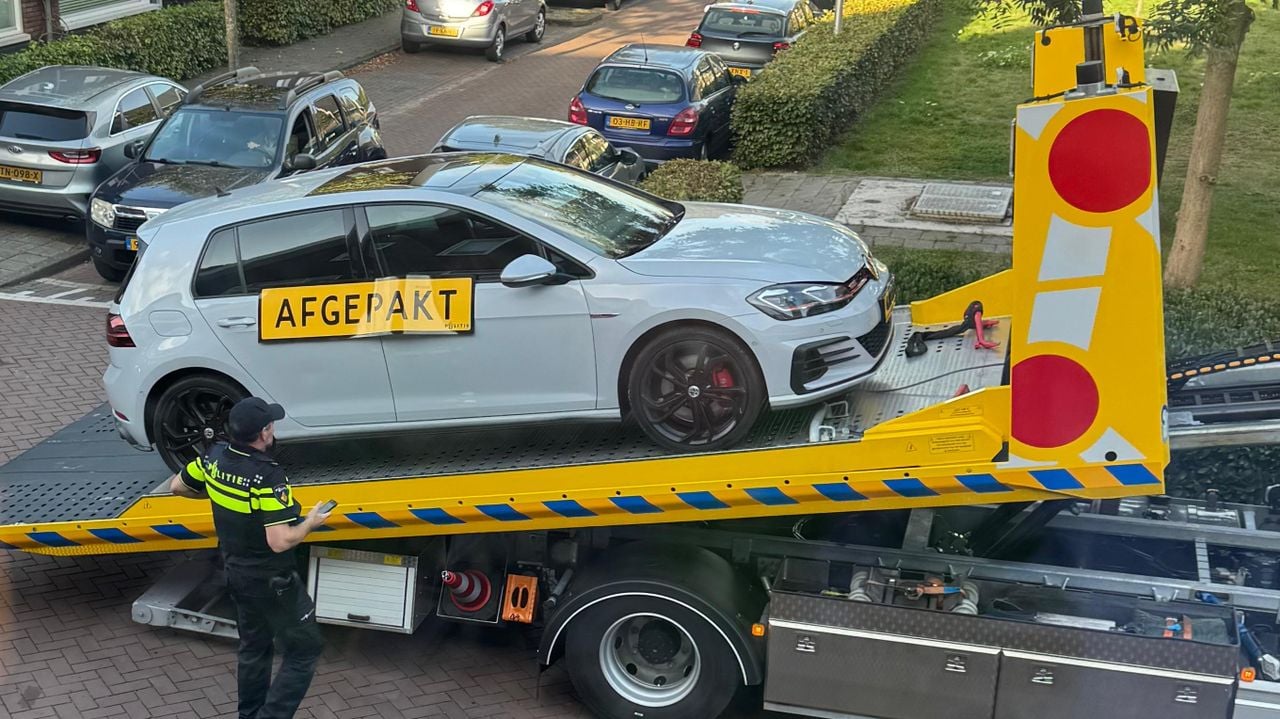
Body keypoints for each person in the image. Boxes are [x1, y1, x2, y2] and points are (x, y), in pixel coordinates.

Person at [169, 397, 332, 719]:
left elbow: (178, 487)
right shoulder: (266, 476)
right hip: (273, 581)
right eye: (271, 425)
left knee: (254, 650)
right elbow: (280, 541)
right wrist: (310, 522)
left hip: (236, 573)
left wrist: (216, 493)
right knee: (304, 651)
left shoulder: (213, 457)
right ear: (264, 432)